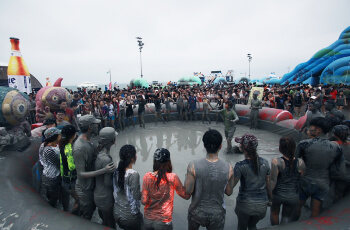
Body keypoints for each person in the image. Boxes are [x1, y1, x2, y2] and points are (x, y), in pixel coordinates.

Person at [295, 117, 345, 219]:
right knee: (316, 209)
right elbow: (341, 171)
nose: (309, 129)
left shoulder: (304, 144)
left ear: (318, 130)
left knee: (297, 205)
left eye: (311, 127)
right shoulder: (336, 148)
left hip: (305, 180)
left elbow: (295, 162)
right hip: (323, 182)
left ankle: (292, 225)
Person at [185, 129, 234, 230]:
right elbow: (229, 192)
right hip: (217, 213)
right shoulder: (228, 167)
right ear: (220, 146)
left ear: (204, 145)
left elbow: (188, 191)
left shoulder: (193, 165)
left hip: (196, 212)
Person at [73, 115, 116, 220]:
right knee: (87, 214)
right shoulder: (79, 148)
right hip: (85, 188)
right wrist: (104, 170)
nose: (98, 126)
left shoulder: (89, 140)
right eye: (95, 125)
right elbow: (80, 174)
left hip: (92, 185)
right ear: (89, 127)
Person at [142, 148, 190, 229]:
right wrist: (188, 177)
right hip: (164, 222)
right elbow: (186, 195)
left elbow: (144, 201)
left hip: (148, 221)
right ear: (169, 162)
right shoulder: (172, 177)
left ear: (154, 161)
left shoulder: (147, 176)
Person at [233, 134, 272, 230]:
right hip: (262, 206)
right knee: (252, 225)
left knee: (242, 227)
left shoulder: (240, 166)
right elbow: (268, 185)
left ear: (243, 147)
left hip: (245, 205)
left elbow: (230, 189)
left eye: (240, 144)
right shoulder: (265, 163)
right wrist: (270, 199)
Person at [269, 136, 306, 225]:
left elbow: (273, 181)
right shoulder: (300, 162)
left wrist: (269, 196)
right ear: (294, 147)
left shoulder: (276, 162)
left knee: (274, 213)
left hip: (278, 195)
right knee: (286, 216)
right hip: (293, 196)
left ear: (280, 148)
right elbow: (301, 178)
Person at [114, 145, 143, 229]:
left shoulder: (116, 171)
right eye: (136, 154)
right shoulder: (133, 174)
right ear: (132, 159)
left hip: (117, 212)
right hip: (130, 216)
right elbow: (137, 196)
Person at [94, 127, 117, 228]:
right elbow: (108, 183)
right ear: (113, 140)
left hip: (98, 193)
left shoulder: (99, 153)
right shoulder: (107, 159)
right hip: (105, 196)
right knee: (110, 223)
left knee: (104, 220)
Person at [39, 127, 68, 210]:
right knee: (53, 198)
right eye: (59, 134)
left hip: (56, 175)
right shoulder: (48, 150)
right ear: (55, 137)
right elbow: (58, 163)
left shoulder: (54, 145)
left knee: (62, 194)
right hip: (51, 178)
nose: (61, 135)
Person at [59, 125, 80, 215]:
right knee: (80, 200)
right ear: (74, 135)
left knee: (77, 199)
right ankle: (73, 216)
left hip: (65, 178)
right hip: (70, 181)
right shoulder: (69, 149)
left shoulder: (62, 144)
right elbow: (72, 167)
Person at [331, 125, 350, 202]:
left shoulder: (332, 145)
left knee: (338, 195)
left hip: (340, 174)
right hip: (347, 174)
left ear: (335, 134)